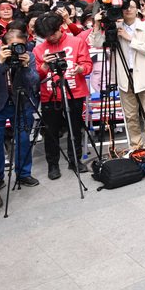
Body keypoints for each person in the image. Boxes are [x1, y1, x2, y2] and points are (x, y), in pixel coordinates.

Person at [0, 26, 40, 188]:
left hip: (21, 102)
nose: (16, 50)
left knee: (23, 140)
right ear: (3, 45)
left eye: (20, 45)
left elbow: (34, 81)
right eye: (12, 46)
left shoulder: (28, 56)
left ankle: (24, 174)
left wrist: (25, 67)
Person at [32, 13, 95, 177]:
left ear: (60, 28)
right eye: (46, 36)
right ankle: (52, 165)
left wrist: (79, 69)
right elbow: (35, 76)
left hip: (74, 91)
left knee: (75, 128)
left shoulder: (76, 41)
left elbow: (87, 65)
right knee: (50, 131)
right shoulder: (38, 49)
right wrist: (45, 65)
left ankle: (75, 161)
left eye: (53, 33)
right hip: (49, 93)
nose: (51, 38)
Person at [103, 0, 145, 151]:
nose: (128, 10)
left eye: (131, 7)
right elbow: (97, 43)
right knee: (131, 116)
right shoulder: (114, 29)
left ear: (138, 9)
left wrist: (130, 38)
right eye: (125, 7)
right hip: (125, 76)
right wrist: (97, 25)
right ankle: (136, 147)